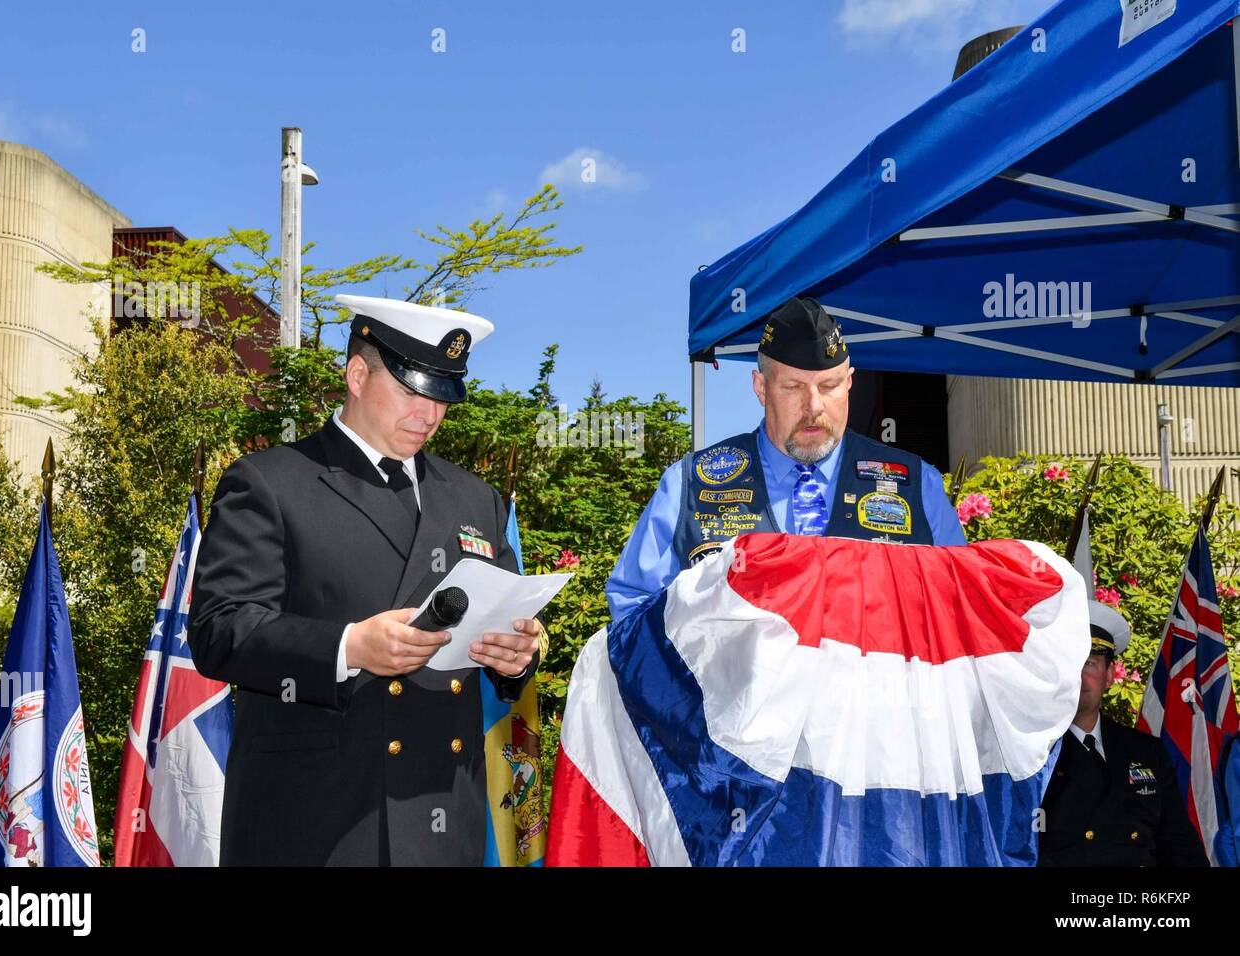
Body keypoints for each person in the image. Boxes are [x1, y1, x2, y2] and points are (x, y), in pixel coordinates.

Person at [189, 295, 543, 866]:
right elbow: (219, 631)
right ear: (357, 374)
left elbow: (505, 624)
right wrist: (349, 646)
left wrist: (518, 653)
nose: (428, 415)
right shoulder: (271, 483)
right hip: (317, 822)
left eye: (441, 398)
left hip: (442, 816)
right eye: (411, 391)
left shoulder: (476, 499)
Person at [607, 295, 965, 620]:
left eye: (829, 386)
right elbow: (633, 609)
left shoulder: (917, 485)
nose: (814, 407)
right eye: (793, 387)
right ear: (760, 387)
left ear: (850, 382)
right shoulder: (689, 484)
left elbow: (956, 607)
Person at [1038, 601, 1208, 867]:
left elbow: (1181, 847)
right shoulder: (1033, 754)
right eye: (1070, 663)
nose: (1079, 676)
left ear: (1108, 677)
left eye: (1090, 664)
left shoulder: (1146, 752)